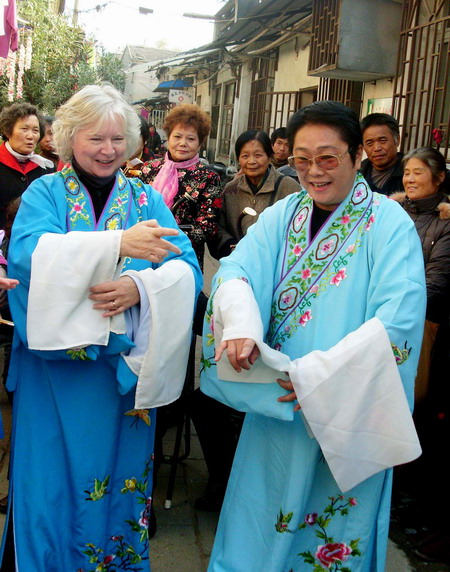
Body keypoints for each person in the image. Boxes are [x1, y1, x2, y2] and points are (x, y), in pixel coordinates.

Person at [201, 101, 426, 571]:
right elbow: (239, 268)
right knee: (261, 515)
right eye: (302, 160)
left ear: (356, 156)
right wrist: (240, 324)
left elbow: (398, 319)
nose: (313, 172)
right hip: (277, 402)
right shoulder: (285, 215)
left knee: (327, 530)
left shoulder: (388, 223)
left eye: (328, 158)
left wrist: (319, 377)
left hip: (341, 406)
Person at [0, 84, 202, 571]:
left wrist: (139, 287)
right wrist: (117, 245)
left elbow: (188, 268)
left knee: (117, 478)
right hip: (56, 374)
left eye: (117, 139)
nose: (108, 150)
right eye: (95, 138)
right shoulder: (44, 193)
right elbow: (28, 256)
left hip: (122, 378)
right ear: (69, 139)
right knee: (49, 478)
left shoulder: (146, 199)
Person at [391, 147, 450, 564]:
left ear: (440, 177)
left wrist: (394, 311)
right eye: (407, 173)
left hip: (422, 327)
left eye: (419, 173)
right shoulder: (396, 213)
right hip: (388, 324)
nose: (410, 179)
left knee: (416, 405)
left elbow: (437, 280)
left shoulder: (445, 222)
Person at [139, 104, 222, 271]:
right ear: (168, 138)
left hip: (184, 257)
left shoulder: (208, 177)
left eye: (191, 139)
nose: (183, 143)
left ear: (200, 143)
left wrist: (169, 238)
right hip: (144, 253)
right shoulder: (148, 169)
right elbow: (135, 210)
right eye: (177, 136)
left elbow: (207, 225)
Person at [215, 129, 300, 259]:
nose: (252, 161)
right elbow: (219, 227)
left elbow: (300, 229)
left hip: (277, 262)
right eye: (245, 156)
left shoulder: (289, 188)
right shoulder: (231, 190)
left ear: (269, 156)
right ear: (238, 159)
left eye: (258, 155)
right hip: (238, 262)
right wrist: (230, 245)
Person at [0, 102, 55, 227]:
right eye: (24, 129)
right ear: (8, 132)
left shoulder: (46, 168)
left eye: (35, 130)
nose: (30, 136)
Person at [360, 112, 404, 195]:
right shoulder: (358, 173)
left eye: (382, 140)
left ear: (397, 140)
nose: (377, 148)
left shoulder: (409, 172)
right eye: (369, 143)